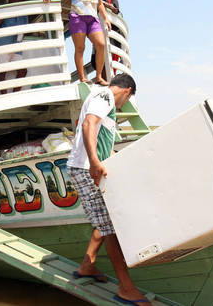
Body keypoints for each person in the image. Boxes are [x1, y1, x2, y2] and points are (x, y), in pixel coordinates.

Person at [66, 73, 149, 305]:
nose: (123, 106)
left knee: (105, 217)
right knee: (109, 228)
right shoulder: (105, 96)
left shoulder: (103, 100)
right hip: (84, 169)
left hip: (88, 166)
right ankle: (126, 288)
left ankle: (87, 266)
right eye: (127, 101)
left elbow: (101, 141)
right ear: (127, 92)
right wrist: (93, 161)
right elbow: (88, 123)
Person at [44, 0, 112, 85]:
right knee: (80, 48)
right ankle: (82, 77)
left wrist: (106, 18)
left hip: (93, 18)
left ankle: (99, 76)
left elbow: (99, 3)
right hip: (77, 17)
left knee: (101, 44)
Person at [0, 0, 28, 94]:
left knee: (23, 70)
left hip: (17, 44)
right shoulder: (3, 8)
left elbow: (26, 28)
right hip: (3, 42)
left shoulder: (23, 12)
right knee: (3, 70)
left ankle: (15, 94)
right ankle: (4, 95)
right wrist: (4, 13)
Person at [90, 0, 122, 80]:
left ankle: (108, 83)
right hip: (98, 36)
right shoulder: (92, 2)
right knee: (97, 61)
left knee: (109, 65)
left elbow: (115, 9)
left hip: (112, 39)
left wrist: (99, 2)